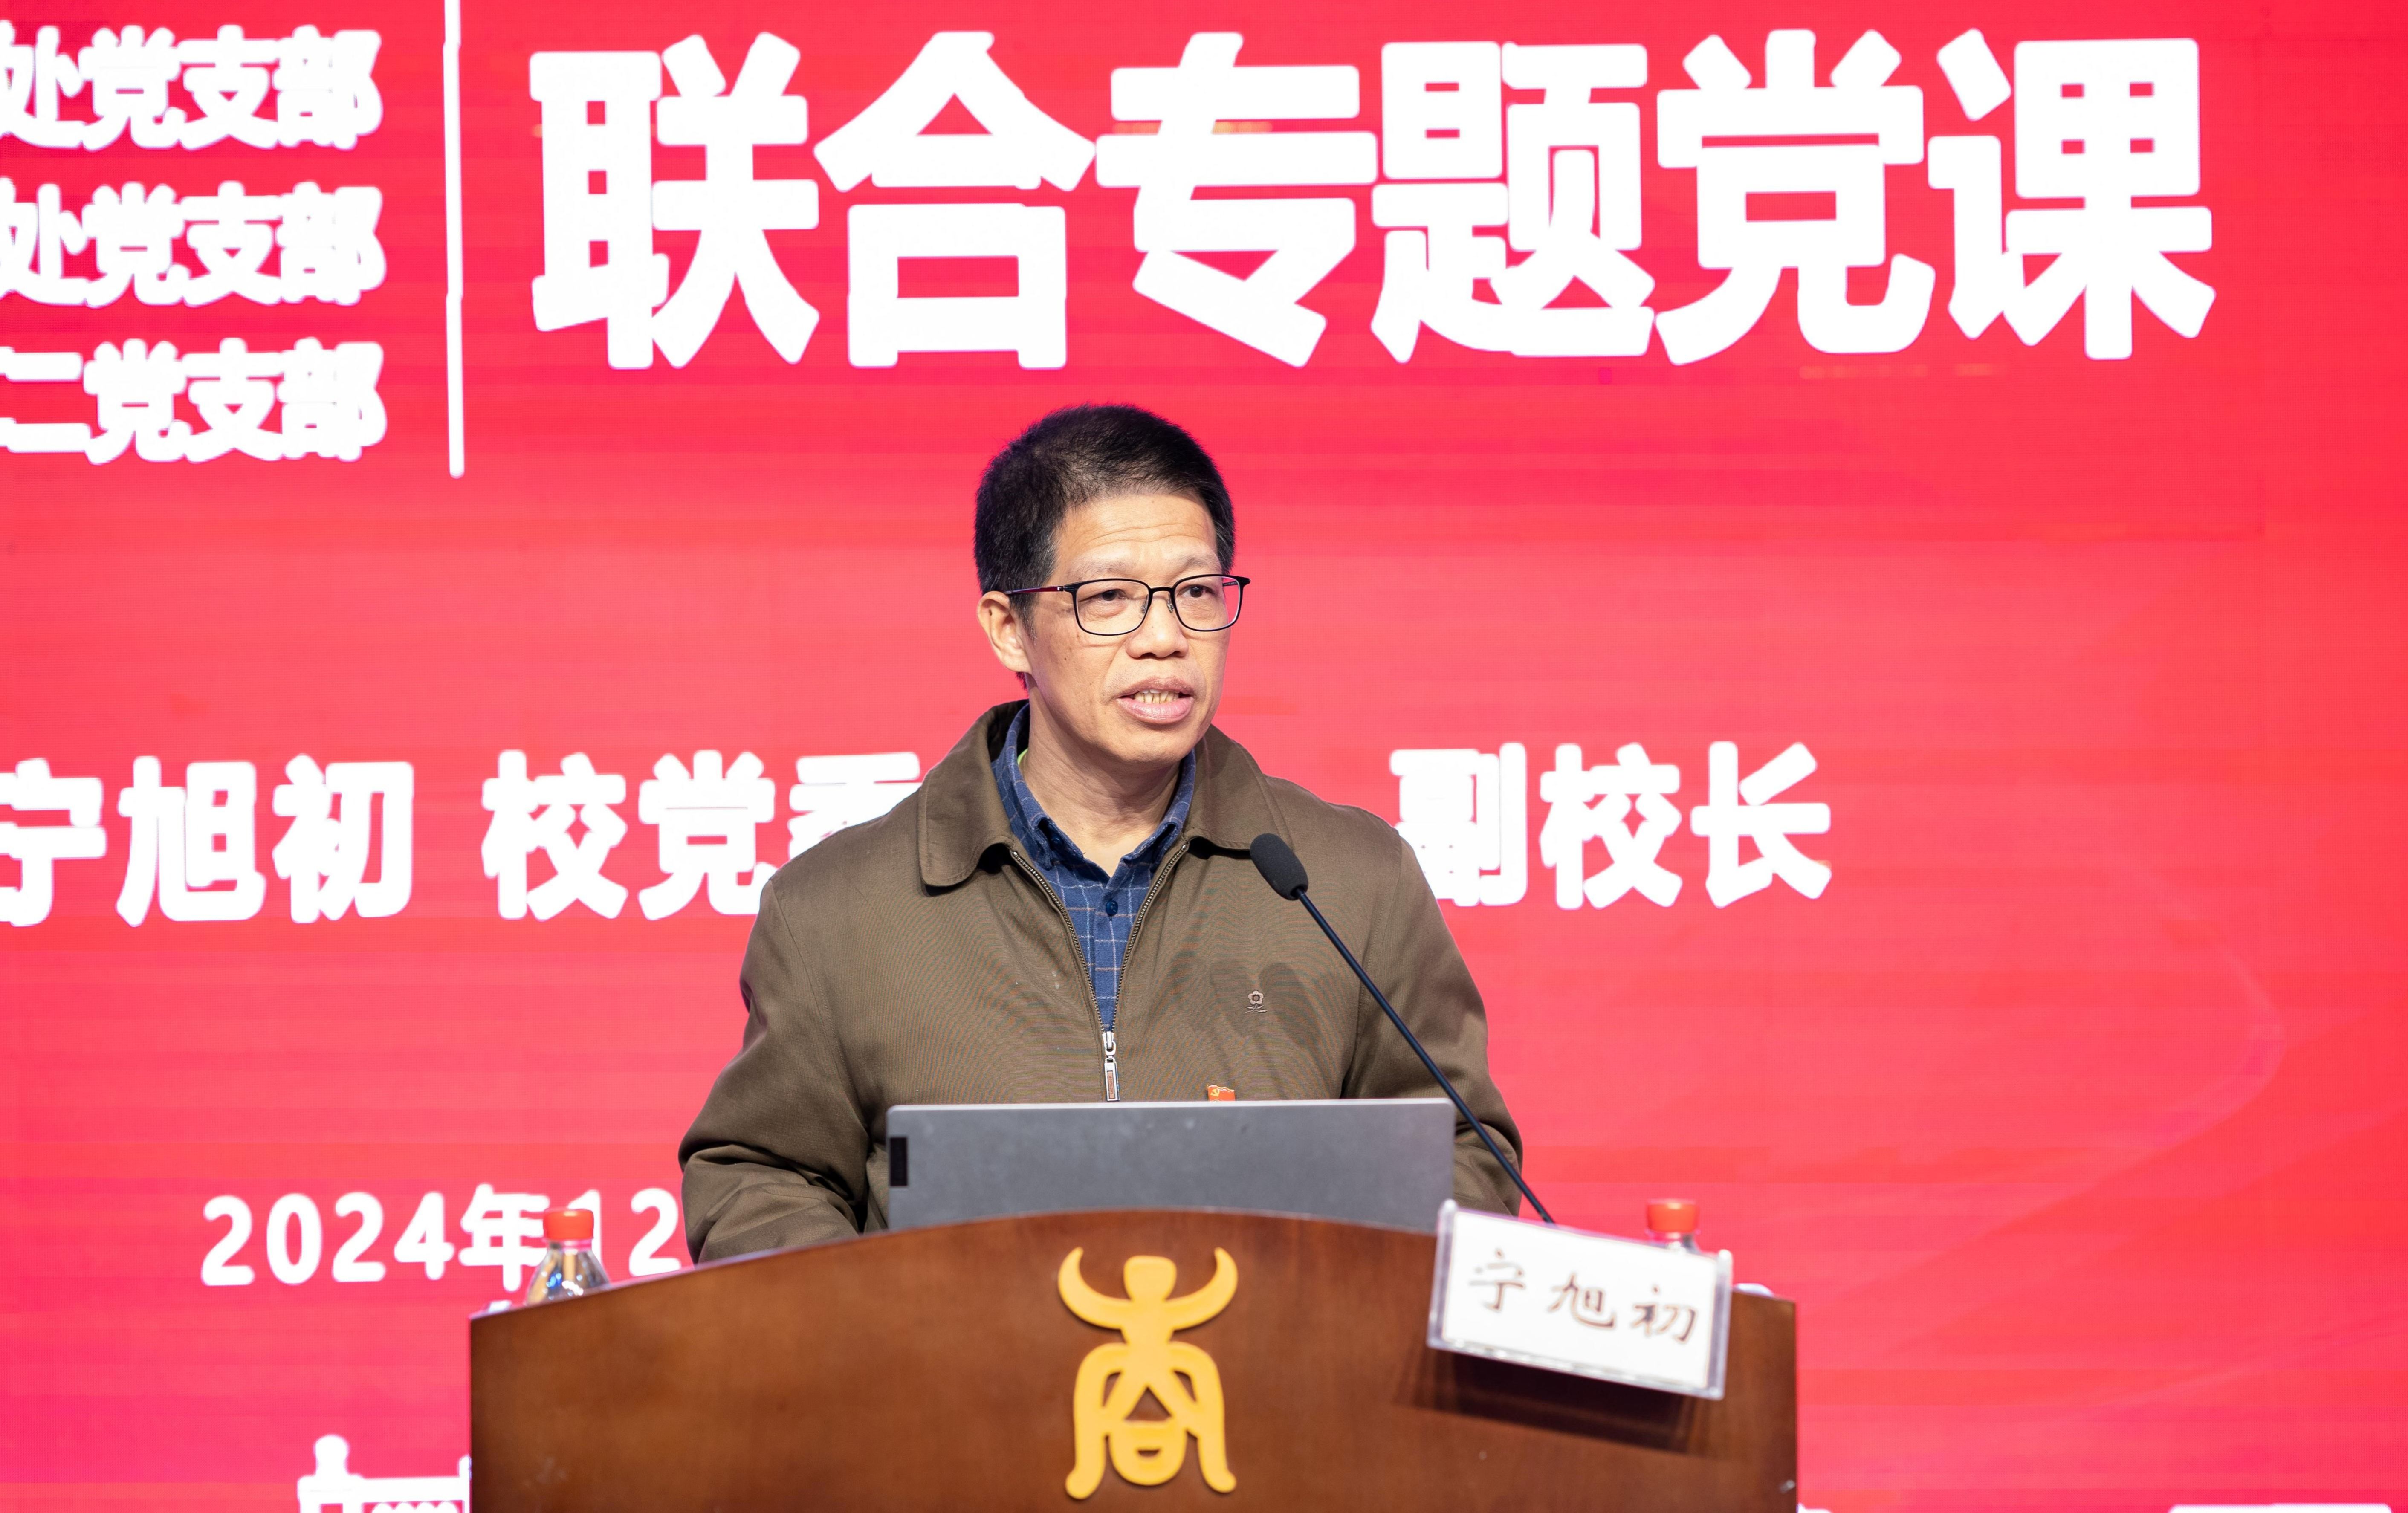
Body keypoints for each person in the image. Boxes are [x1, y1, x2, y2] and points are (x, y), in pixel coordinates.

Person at [679, 404, 1523, 1260]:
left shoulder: (1348, 881)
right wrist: (887, 1316)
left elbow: (1462, 1154)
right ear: (1009, 628)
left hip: (1272, 1345)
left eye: (1196, 592)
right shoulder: (839, 909)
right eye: (1109, 598)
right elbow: (759, 1176)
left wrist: (1323, 1291)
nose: (1165, 638)